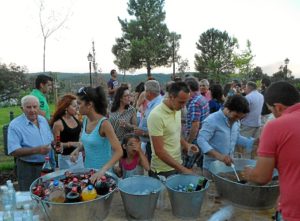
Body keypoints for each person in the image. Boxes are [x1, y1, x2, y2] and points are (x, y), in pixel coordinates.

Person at [242, 81, 300, 221]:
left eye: (271, 110)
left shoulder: (275, 126)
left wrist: (249, 173)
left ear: (278, 107)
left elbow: (262, 177)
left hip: (294, 210)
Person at [70, 86, 123, 183]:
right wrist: (78, 149)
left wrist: (102, 171)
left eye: (79, 103)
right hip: (89, 172)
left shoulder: (104, 124)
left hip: (103, 176)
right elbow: (90, 142)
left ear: (89, 104)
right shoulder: (86, 120)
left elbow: (119, 151)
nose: (77, 106)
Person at [147, 81, 199, 178]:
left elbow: (174, 133)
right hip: (163, 169)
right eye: (181, 102)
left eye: (186, 102)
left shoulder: (177, 109)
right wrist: (183, 169)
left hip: (177, 163)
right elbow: (159, 151)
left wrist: (186, 144)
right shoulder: (156, 116)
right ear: (171, 97)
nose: (184, 106)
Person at [197, 95, 255, 174]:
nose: (237, 120)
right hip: (210, 167)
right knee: (206, 185)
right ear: (228, 109)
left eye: (240, 118)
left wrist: (251, 142)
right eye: (236, 116)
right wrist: (219, 156)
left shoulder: (236, 121)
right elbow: (201, 140)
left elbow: (235, 138)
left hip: (226, 167)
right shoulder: (212, 120)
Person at [7, 95, 53, 191]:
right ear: (22, 109)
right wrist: (37, 150)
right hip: (28, 168)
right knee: (30, 196)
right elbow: (13, 151)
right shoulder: (15, 125)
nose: (32, 110)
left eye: (35, 107)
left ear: (38, 107)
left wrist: (56, 146)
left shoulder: (43, 120)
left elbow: (50, 141)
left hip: (47, 166)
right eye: (28, 107)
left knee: (49, 194)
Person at [50, 94, 84, 170]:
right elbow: (57, 146)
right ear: (66, 107)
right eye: (74, 106)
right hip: (66, 159)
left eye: (77, 106)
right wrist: (71, 144)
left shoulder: (76, 118)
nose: (77, 108)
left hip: (78, 155)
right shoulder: (58, 124)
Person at [134, 80, 163, 162]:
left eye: (145, 90)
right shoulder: (155, 103)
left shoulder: (157, 107)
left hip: (155, 145)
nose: (144, 92)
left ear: (149, 93)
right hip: (150, 143)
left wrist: (143, 133)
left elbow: (161, 131)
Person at [183, 77, 209, 169]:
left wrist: (188, 143)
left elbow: (195, 126)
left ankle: (187, 181)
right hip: (202, 136)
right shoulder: (202, 98)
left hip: (195, 139)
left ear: (189, 88)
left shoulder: (194, 103)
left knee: (186, 166)